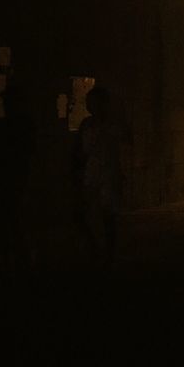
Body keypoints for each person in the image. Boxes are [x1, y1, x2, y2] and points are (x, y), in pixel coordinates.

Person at [73, 86, 129, 267]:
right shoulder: (86, 125)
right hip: (92, 173)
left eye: (95, 103)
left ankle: (108, 253)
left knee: (108, 216)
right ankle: (96, 248)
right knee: (83, 213)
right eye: (90, 103)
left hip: (108, 174)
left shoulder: (113, 124)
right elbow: (80, 151)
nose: (92, 106)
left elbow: (126, 146)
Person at [0, 84, 35, 270]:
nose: (6, 105)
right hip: (9, 179)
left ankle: (16, 259)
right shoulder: (9, 126)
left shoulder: (14, 126)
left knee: (14, 221)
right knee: (10, 221)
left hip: (15, 180)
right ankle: (14, 258)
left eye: (8, 102)